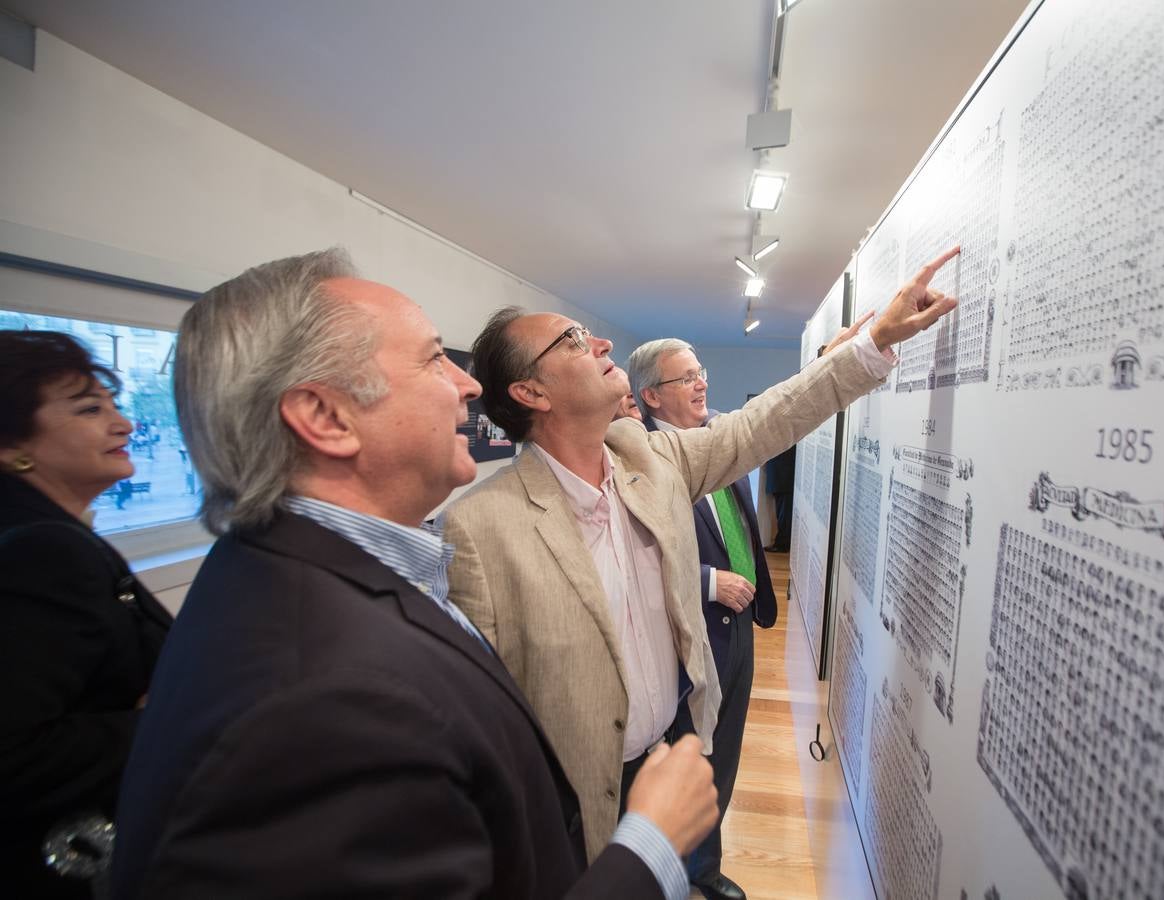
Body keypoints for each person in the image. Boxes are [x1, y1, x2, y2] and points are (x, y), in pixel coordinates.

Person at [110, 249, 718, 900]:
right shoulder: (322, 691)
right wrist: (650, 843)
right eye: (433, 359)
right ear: (325, 417)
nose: (469, 386)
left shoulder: (292, 577)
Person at [443, 245, 960, 875]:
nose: (603, 343)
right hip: (576, 791)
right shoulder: (478, 526)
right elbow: (479, 711)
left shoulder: (649, 458)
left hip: (679, 741)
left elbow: (757, 425)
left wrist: (871, 343)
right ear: (531, 392)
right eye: (575, 340)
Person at [0, 330, 173, 900]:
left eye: (114, 405)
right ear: (9, 444)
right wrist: (176, 709)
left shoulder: (56, 535)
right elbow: (15, 751)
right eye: (90, 409)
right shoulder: (43, 552)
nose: (123, 424)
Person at [626, 339, 775, 900]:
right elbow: (638, 556)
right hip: (692, 633)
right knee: (693, 756)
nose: (701, 385)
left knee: (727, 751)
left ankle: (703, 870)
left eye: (700, 372)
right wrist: (712, 582)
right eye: (685, 378)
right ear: (651, 398)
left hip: (739, 630)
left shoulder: (716, 444)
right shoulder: (639, 465)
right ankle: (680, 874)